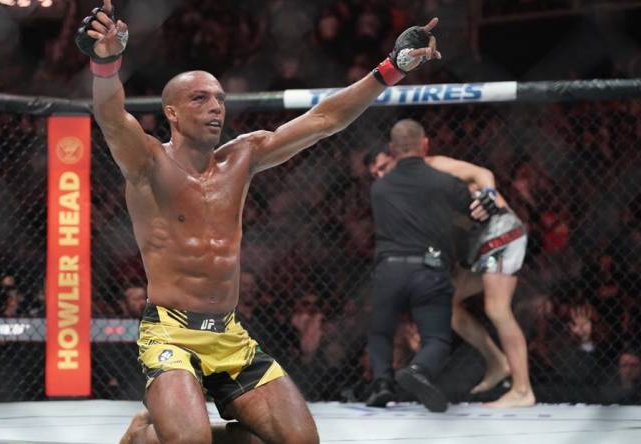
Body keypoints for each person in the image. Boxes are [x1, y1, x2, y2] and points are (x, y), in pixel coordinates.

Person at [75, 1, 442, 442]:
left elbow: (325, 119)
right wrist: (106, 60)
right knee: (190, 441)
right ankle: (151, 433)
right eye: (200, 98)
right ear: (171, 112)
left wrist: (391, 68)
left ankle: (161, 433)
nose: (216, 107)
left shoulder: (242, 157)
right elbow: (112, 118)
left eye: (220, 99)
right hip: (170, 332)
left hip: (229, 334)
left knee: (302, 440)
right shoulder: (148, 162)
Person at [367, 145, 536, 408]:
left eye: (381, 167)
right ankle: (498, 362)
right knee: (450, 304)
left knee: (497, 308)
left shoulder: (432, 165)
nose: (380, 176)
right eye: (374, 174)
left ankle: (523, 389)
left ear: (394, 157)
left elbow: (481, 172)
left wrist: (489, 194)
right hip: (478, 246)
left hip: (500, 231)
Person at [364, 119, 490, 413]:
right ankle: (418, 369)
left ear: (393, 150)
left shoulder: (379, 189)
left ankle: (382, 383)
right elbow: (476, 212)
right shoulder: (444, 182)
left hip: (390, 270)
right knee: (436, 337)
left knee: (380, 332)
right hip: (430, 268)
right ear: (425, 145)